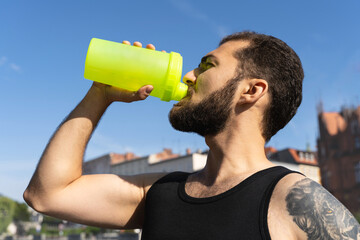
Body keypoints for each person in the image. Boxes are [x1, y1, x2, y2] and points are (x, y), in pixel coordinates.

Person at [24, 31, 360, 239]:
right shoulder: (158, 191)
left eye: (207, 65)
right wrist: (99, 94)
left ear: (252, 90)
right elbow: (47, 195)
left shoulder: (295, 199)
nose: (188, 75)